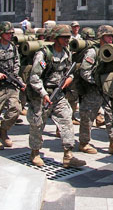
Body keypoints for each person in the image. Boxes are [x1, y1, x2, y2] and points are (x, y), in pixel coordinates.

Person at [27, 25, 86, 168]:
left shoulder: (67, 53)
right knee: (38, 124)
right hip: (43, 95)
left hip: (58, 94)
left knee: (66, 120)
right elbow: (34, 77)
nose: (67, 40)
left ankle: (68, 155)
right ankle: (35, 152)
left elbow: (70, 71)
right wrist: (43, 93)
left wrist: (69, 79)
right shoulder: (43, 54)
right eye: (64, 37)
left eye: (68, 37)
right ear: (55, 38)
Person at [78, 25, 113, 154]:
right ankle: (84, 143)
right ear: (101, 37)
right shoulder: (93, 52)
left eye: (112, 36)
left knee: (112, 115)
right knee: (87, 117)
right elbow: (85, 71)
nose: (111, 38)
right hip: (93, 90)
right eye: (108, 36)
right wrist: (96, 82)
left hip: (107, 90)